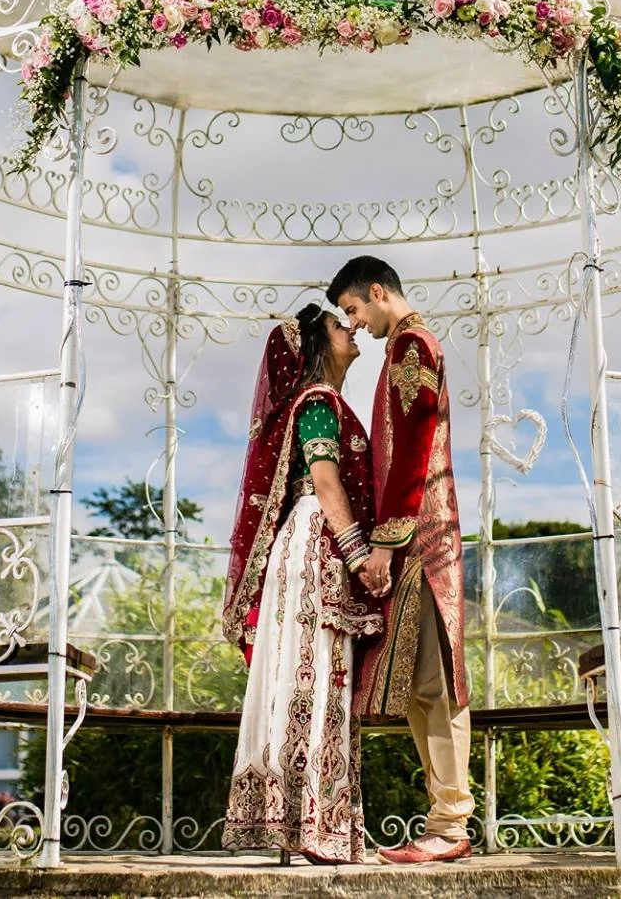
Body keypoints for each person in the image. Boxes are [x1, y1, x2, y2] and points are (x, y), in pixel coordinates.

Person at [221, 302, 386, 864]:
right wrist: (359, 554)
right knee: (315, 675)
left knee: (311, 676)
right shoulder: (317, 401)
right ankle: (312, 825)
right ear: (318, 346)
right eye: (343, 324)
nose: (354, 327)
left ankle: (303, 825)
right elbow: (324, 480)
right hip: (319, 540)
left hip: (311, 542)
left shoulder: (324, 403)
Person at [329, 255, 474, 864]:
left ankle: (451, 825)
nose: (354, 325)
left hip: (422, 544)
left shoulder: (413, 346)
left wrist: (384, 547)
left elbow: (414, 449)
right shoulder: (402, 351)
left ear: (379, 292)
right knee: (421, 686)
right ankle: (446, 819)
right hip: (417, 539)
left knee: (435, 684)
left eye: (354, 309)